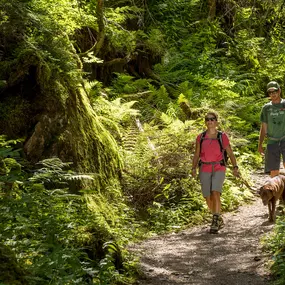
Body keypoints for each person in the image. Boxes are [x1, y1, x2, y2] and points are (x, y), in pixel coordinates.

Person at [191, 112, 239, 234]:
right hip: (204, 168)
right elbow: (197, 154)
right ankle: (217, 216)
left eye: (212, 119)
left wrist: (235, 166)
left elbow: (230, 152)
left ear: (216, 122)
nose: (210, 121)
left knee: (215, 192)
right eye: (208, 119)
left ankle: (215, 220)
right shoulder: (200, 137)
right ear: (205, 122)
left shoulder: (222, 136)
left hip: (219, 166)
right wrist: (193, 168)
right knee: (207, 196)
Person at [258, 81, 285, 177]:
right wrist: (260, 144)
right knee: (273, 172)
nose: (273, 94)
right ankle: (276, 191)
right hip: (272, 141)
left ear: (279, 91)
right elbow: (263, 127)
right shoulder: (266, 108)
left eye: (275, 91)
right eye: (270, 92)